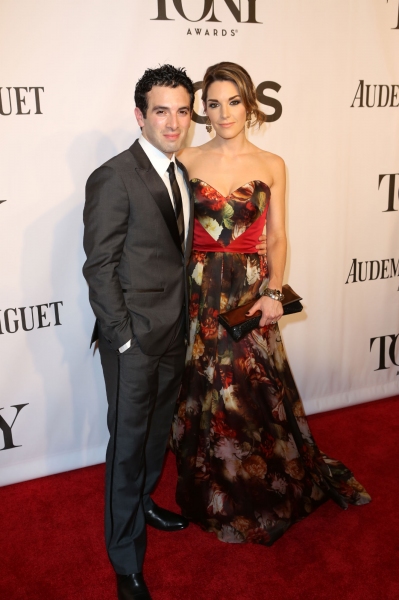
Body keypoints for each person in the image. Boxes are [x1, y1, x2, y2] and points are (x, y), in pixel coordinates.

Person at [172, 62, 371, 546]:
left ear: (249, 103)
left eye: (233, 102)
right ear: (204, 109)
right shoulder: (186, 159)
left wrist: (275, 289)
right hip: (199, 285)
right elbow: (173, 233)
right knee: (208, 386)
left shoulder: (272, 163)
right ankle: (214, 488)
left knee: (252, 384)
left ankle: (262, 486)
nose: (223, 113)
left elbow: (279, 236)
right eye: (213, 104)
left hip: (250, 289)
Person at [83, 65, 195, 600]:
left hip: (173, 334)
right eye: (161, 110)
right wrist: (123, 337)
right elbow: (99, 267)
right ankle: (125, 559)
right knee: (127, 446)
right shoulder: (113, 176)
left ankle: (146, 501)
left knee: (156, 434)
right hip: (133, 342)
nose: (173, 122)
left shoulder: (181, 172)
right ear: (139, 115)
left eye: (182, 110)